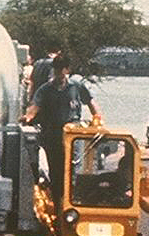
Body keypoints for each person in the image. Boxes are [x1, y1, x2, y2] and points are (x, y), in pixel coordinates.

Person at [22, 54, 100, 185]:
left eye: (61, 70)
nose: (58, 73)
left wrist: (97, 118)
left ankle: (71, 190)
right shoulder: (46, 89)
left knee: (72, 166)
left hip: (72, 133)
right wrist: (28, 116)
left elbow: (91, 103)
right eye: (56, 70)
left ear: (67, 70)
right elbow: (35, 105)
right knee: (54, 168)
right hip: (52, 134)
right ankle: (56, 192)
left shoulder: (76, 86)